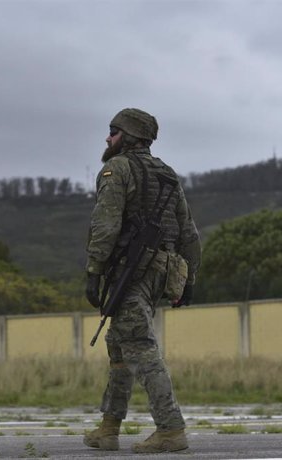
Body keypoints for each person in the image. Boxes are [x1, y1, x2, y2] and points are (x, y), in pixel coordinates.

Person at [83, 108, 202, 453]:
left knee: (141, 348)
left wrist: (93, 271)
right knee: (120, 345)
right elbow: (188, 231)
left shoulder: (116, 169)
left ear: (130, 137)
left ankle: (170, 428)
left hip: (131, 272)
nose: (108, 138)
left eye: (113, 132)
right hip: (162, 271)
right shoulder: (166, 173)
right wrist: (189, 278)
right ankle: (109, 429)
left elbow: (105, 226)